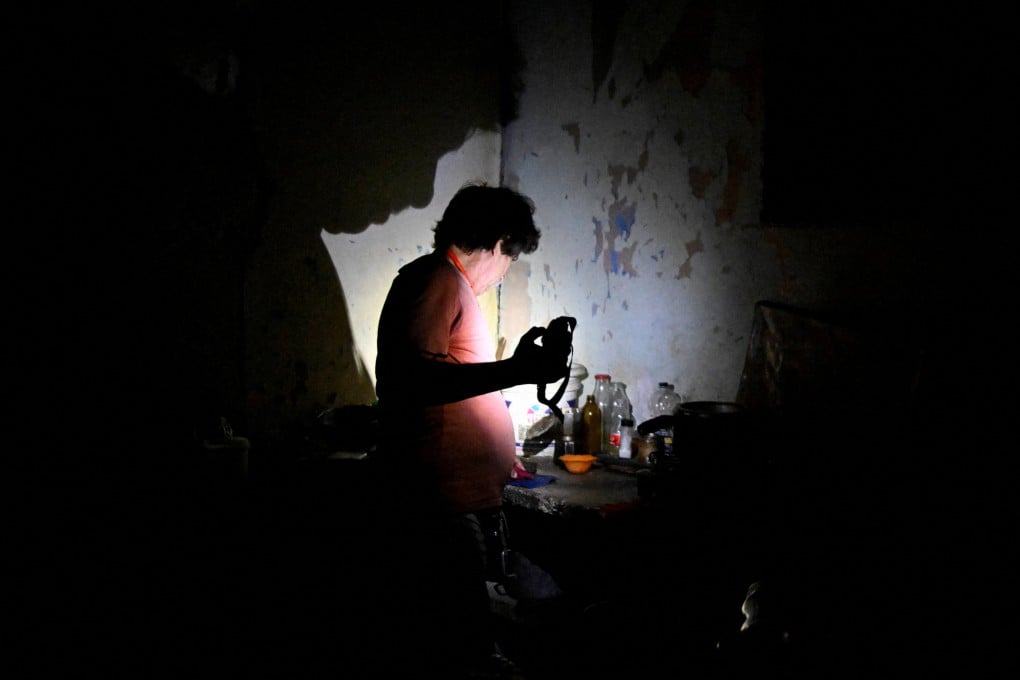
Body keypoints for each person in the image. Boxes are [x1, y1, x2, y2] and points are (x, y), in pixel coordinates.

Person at [370, 182, 570, 678]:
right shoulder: (436, 279)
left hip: (457, 499)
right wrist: (515, 371)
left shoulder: (446, 283)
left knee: (464, 635)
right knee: (461, 647)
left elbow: (449, 381)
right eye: (511, 259)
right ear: (502, 241)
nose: (504, 274)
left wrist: (491, 446)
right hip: (438, 505)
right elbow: (411, 379)